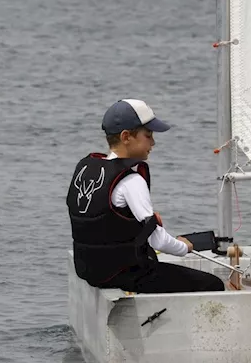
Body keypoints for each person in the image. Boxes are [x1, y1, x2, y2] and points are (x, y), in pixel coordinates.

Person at [66, 99, 225, 294]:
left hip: (90, 270)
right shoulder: (131, 180)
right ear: (126, 137)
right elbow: (159, 242)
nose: (153, 142)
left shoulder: (87, 169)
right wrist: (185, 246)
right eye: (148, 135)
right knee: (212, 284)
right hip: (123, 273)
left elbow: (106, 221)